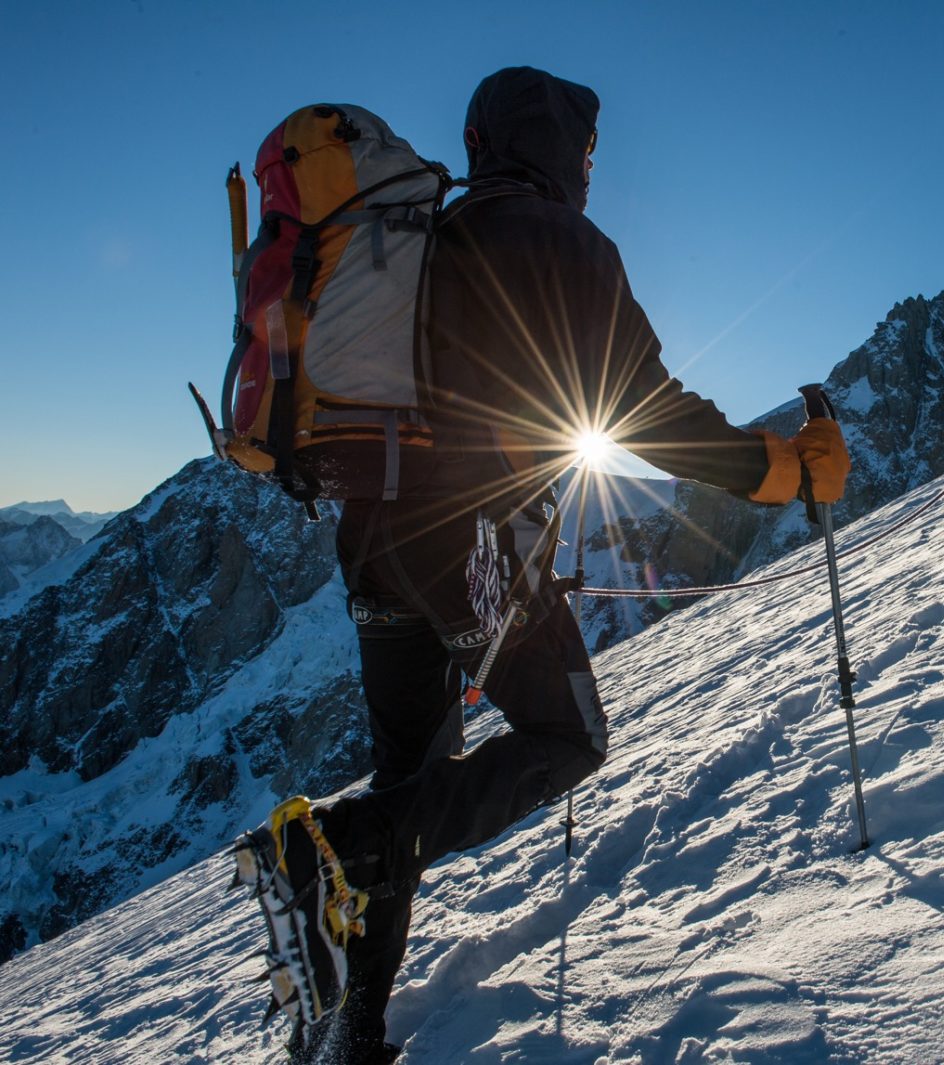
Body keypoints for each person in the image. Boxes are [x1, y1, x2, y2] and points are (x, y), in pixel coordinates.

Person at [235, 66, 850, 1065]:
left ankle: (358, 1023)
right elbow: (645, 409)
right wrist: (783, 472)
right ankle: (327, 852)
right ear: (563, 147)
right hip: (470, 541)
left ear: (482, 142)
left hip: (372, 539)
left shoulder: (432, 239)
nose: (595, 171)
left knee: (410, 780)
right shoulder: (564, 239)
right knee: (567, 736)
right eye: (591, 151)